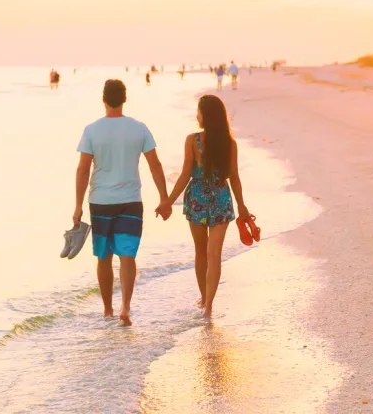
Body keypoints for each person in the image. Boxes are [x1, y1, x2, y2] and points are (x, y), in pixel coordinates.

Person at [73, 79, 171, 326]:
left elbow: (83, 170)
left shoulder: (92, 130)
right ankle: (125, 306)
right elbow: (155, 164)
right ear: (125, 99)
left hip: (101, 201)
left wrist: (77, 207)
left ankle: (107, 310)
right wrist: (164, 198)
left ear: (103, 99)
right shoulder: (139, 128)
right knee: (127, 254)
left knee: (104, 257)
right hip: (130, 201)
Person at [158, 95, 250, 319]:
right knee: (214, 254)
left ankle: (204, 298)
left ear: (206, 115)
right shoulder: (230, 142)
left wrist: (168, 201)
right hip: (221, 198)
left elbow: (185, 175)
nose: (196, 115)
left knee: (201, 252)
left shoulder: (192, 140)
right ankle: (209, 305)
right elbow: (234, 177)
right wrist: (242, 206)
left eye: (198, 111)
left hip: (197, 199)